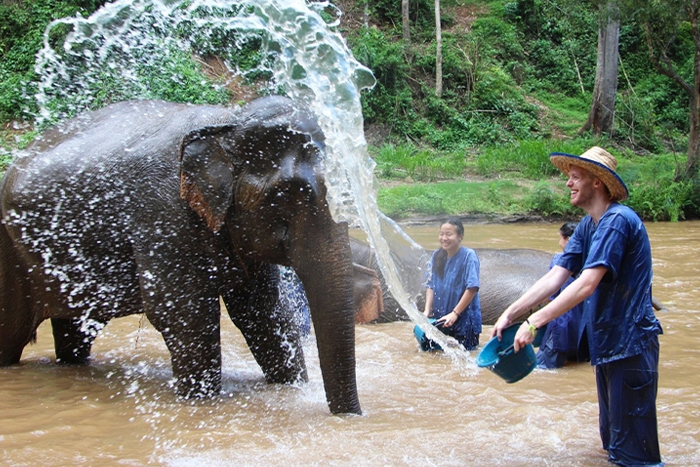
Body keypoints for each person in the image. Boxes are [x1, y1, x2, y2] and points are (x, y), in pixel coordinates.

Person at [491, 147, 663, 466]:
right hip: (609, 346)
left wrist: (534, 323)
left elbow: (586, 284)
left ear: (597, 182)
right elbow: (556, 276)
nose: (568, 184)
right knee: (612, 446)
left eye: (575, 177)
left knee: (634, 455)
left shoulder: (617, 221)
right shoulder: (588, 225)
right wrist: (512, 313)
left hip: (631, 346)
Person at [422, 217, 481, 351]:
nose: (444, 238)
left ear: (460, 236)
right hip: (442, 320)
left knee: (465, 357)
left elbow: (472, 287)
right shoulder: (437, 255)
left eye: (449, 234)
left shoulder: (468, 256)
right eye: (441, 234)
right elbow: (430, 285)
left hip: (464, 322)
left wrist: (455, 313)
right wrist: (426, 311)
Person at [536, 221, 587, 369]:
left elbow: (551, 292)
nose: (559, 243)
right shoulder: (591, 262)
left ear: (569, 240)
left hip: (561, 325)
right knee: (578, 368)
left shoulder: (560, 260)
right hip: (584, 330)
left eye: (560, 238)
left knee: (541, 369)